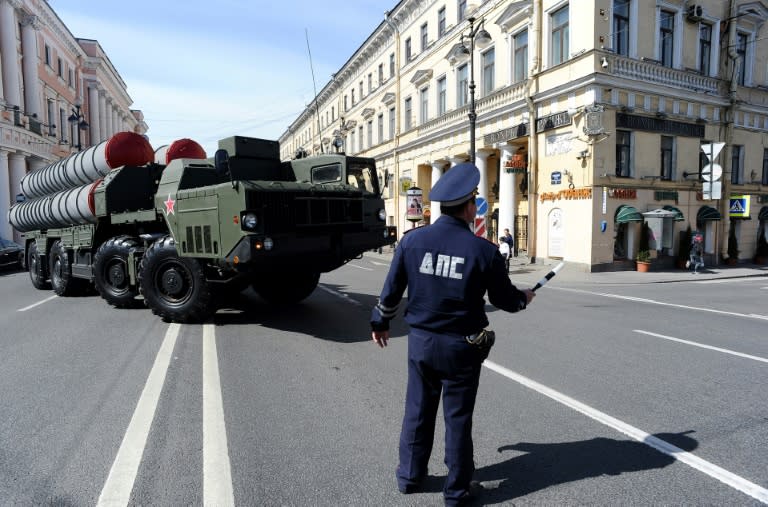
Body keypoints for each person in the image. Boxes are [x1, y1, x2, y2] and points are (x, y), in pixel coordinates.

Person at [370, 162, 536, 506]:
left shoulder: (411, 241)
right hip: (462, 346)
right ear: (469, 206)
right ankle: (456, 492)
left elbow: (390, 292)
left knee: (417, 410)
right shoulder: (483, 251)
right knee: (457, 417)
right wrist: (523, 299)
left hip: (420, 343)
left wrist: (380, 323)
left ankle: (409, 477)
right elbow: (505, 301)